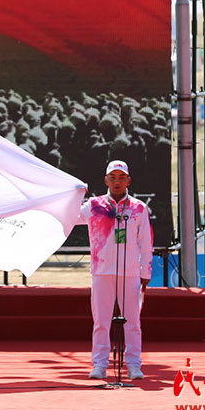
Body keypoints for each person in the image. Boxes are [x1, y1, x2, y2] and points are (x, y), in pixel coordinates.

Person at [78, 160, 152, 380]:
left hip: (129, 272)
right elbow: (70, 215)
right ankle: (99, 364)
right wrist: (74, 193)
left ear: (128, 180)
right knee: (101, 321)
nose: (117, 182)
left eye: (121, 178)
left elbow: (146, 243)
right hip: (101, 271)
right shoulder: (93, 206)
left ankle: (133, 364)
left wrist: (145, 274)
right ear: (106, 180)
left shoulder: (139, 208)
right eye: (113, 178)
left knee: (132, 321)